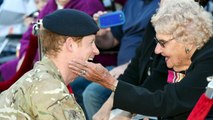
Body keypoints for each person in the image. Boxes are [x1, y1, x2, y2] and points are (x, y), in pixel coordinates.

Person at [68, 0, 213, 119]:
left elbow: (168, 102)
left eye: (162, 43)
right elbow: (154, 80)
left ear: (187, 38)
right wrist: (123, 110)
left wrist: (109, 81)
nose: (157, 50)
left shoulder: (209, 59)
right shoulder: (172, 42)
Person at [0, 9, 100, 119]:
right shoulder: (51, 90)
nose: (96, 51)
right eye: (91, 43)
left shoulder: (40, 77)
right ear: (70, 45)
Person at [70, 0, 160, 119]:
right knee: (74, 84)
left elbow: (154, 50)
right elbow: (111, 41)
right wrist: (100, 33)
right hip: (121, 68)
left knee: (92, 93)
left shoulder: (161, 6)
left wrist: (127, 65)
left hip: (138, 69)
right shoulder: (131, 3)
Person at [0, 0, 104, 82]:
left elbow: (73, 44)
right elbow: (30, 34)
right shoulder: (51, 4)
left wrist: (33, 59)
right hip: (36, 58)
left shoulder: (88, 3)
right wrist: (25, 56)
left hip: (67, 63)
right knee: (4, 71)